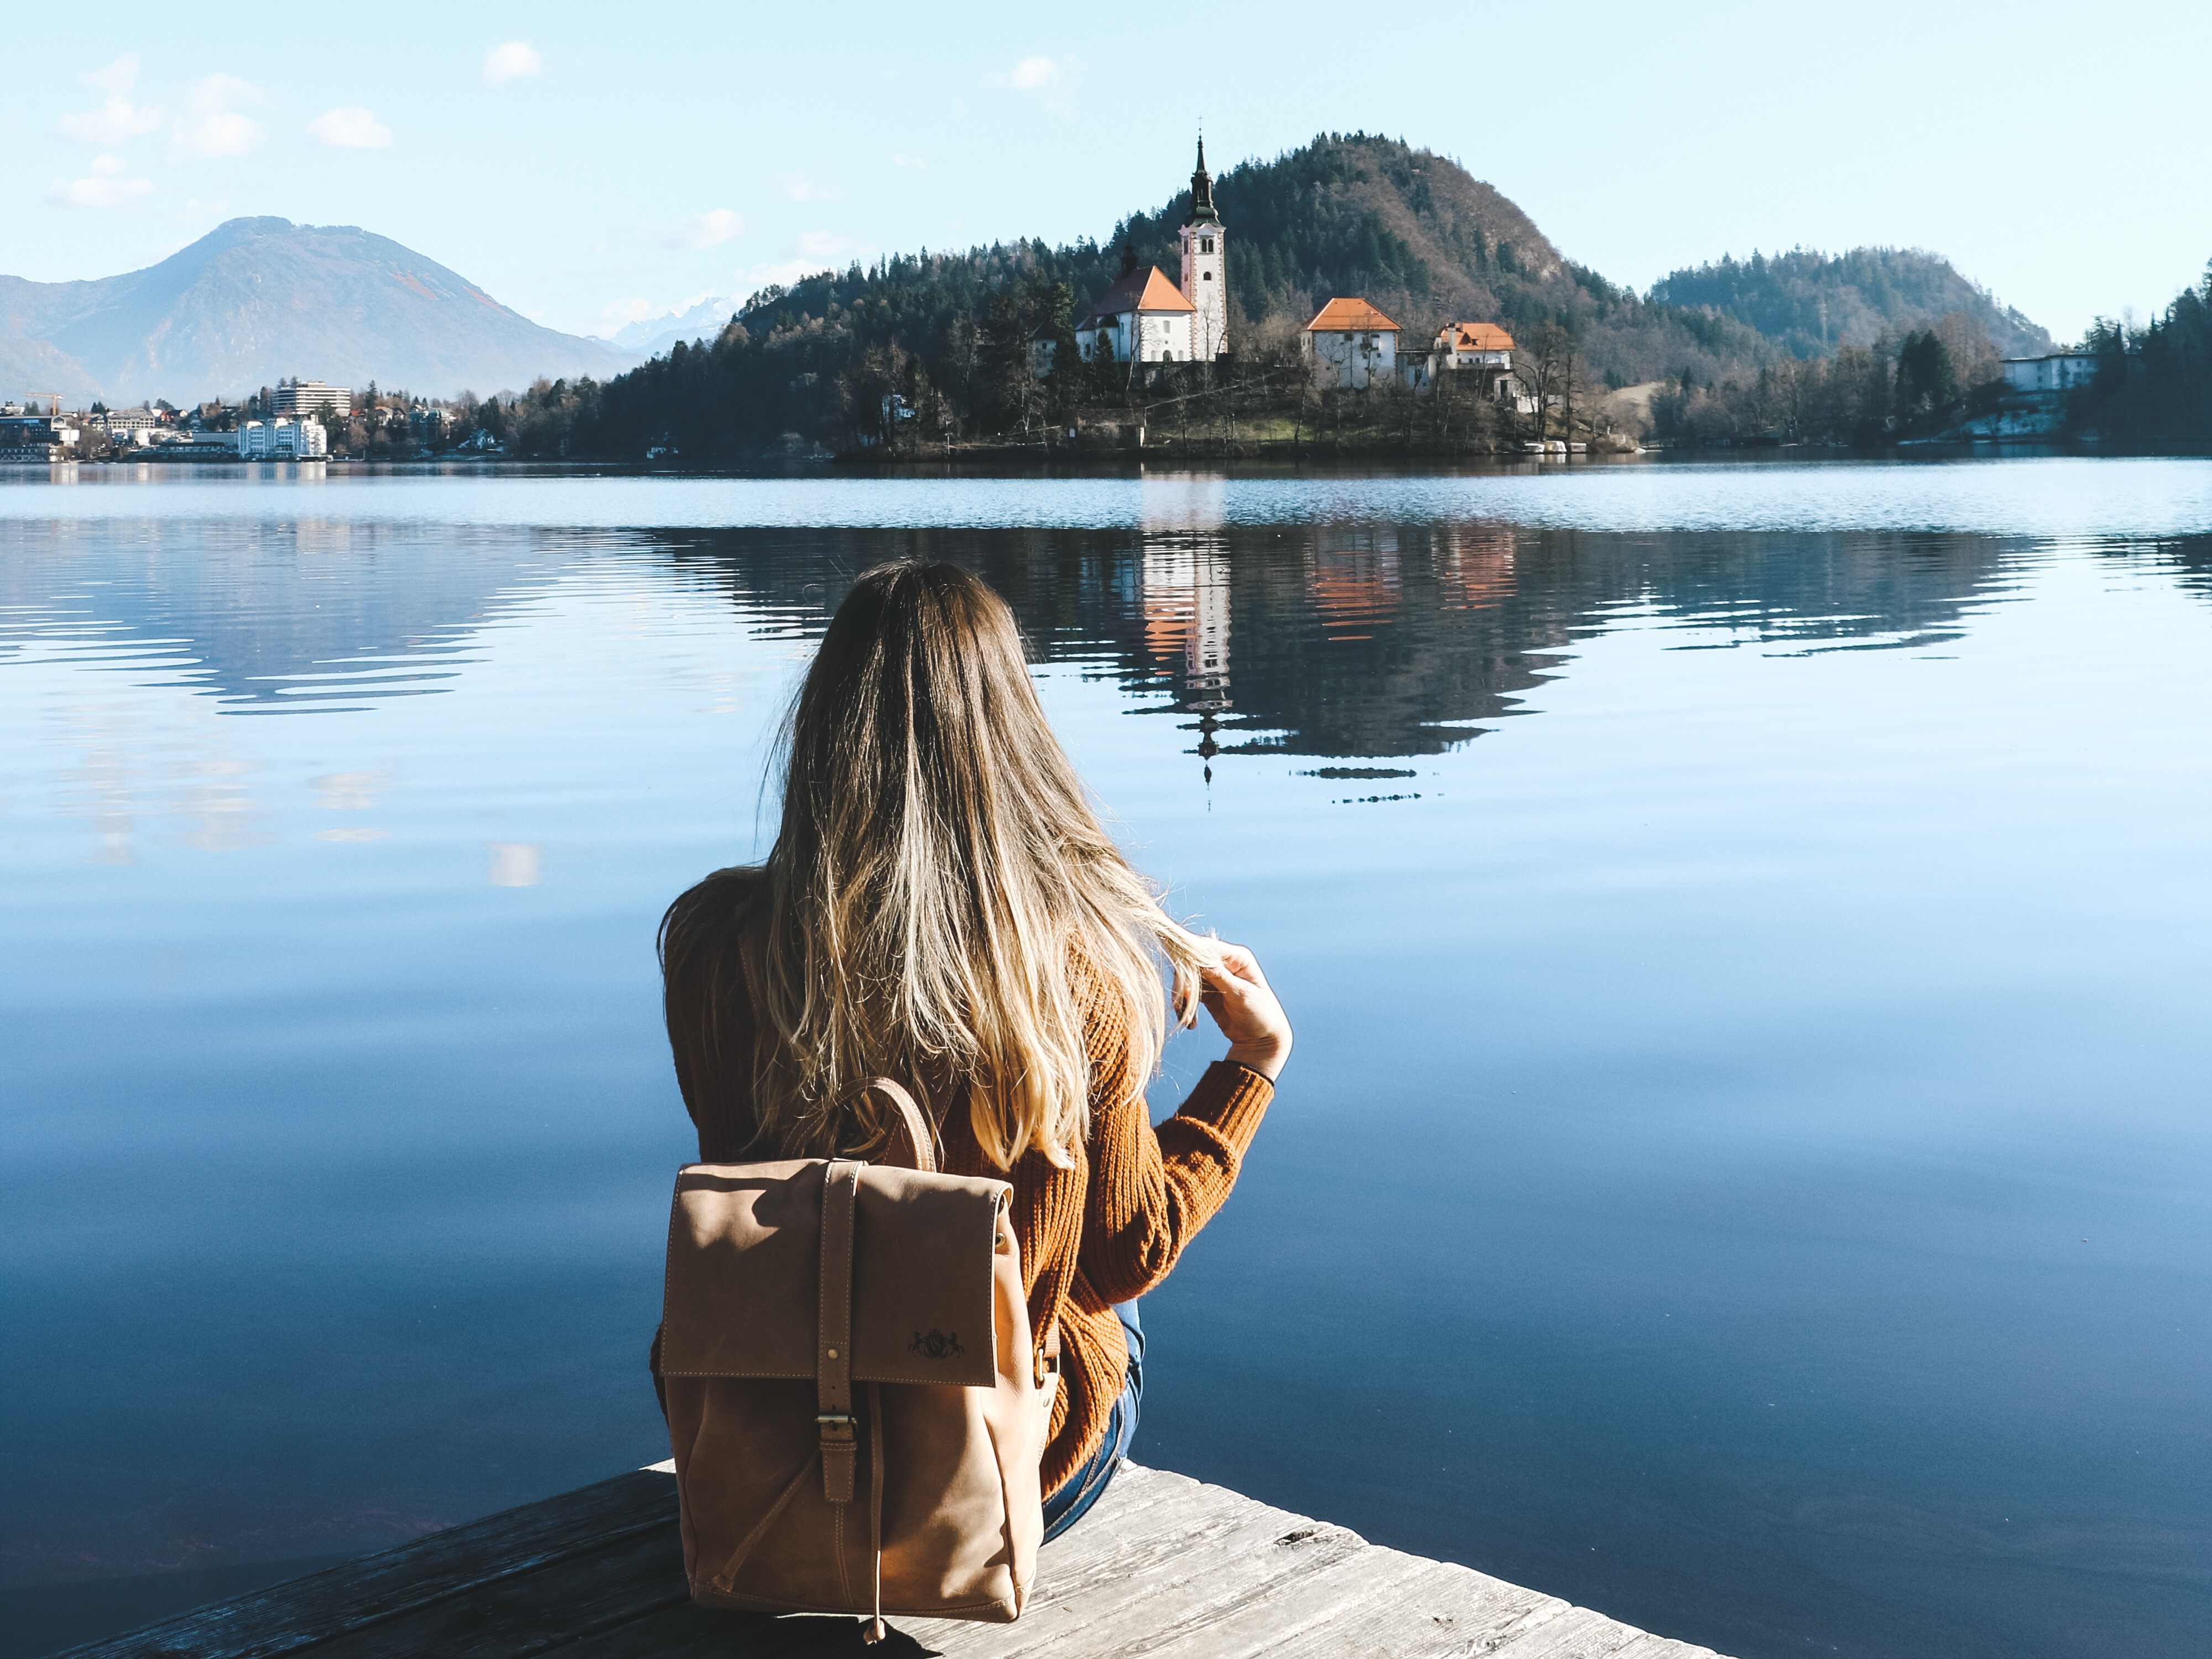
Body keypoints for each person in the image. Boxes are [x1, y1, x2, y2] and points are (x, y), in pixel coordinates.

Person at [658, 558, 1291, 1541]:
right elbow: (1129, 1250)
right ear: (1013, 732)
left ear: (822, 728)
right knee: (1103, 1309)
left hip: (762, 1449)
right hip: (990, 1485)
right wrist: (1249, 1071)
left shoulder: (713, 941)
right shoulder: (1074, 965)